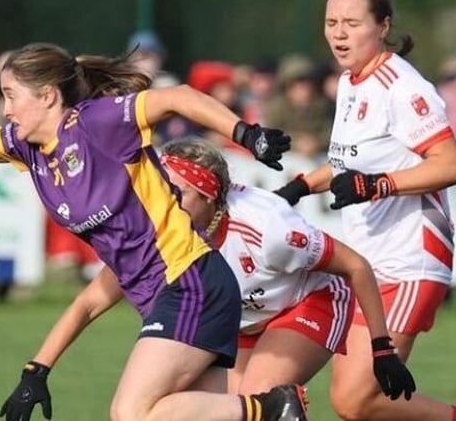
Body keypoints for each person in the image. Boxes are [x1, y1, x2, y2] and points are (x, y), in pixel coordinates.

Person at [0, 29, 306, 421]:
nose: (6, 110)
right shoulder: (27, 148)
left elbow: (178, 97)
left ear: (47, 96)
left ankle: (272, 407)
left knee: (131, 412)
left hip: (188, 280)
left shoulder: (97, 123)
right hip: (168, 297)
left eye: (11, 95)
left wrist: (246, 134)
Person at [273, 0, 456, 421]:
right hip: (367, 261)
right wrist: (298, 187)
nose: (339, 33)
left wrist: (377, 186)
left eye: (352, 22)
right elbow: (353, 158)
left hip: (410, 258)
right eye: (331, 21)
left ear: (383, 26)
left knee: (356, 401)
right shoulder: (352, 81)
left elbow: (452, 165)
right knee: (353, 401)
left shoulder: (402, 86)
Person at [158, 137, 413, 400]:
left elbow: (355, 266)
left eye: (178, 193)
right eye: (162, 192)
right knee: (228, 410)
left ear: (208, 194)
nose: (165, 204)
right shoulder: (163, 227)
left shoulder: (267, 230)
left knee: (255, 399)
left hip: (311, 299)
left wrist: (382, 348)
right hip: (247, 319)